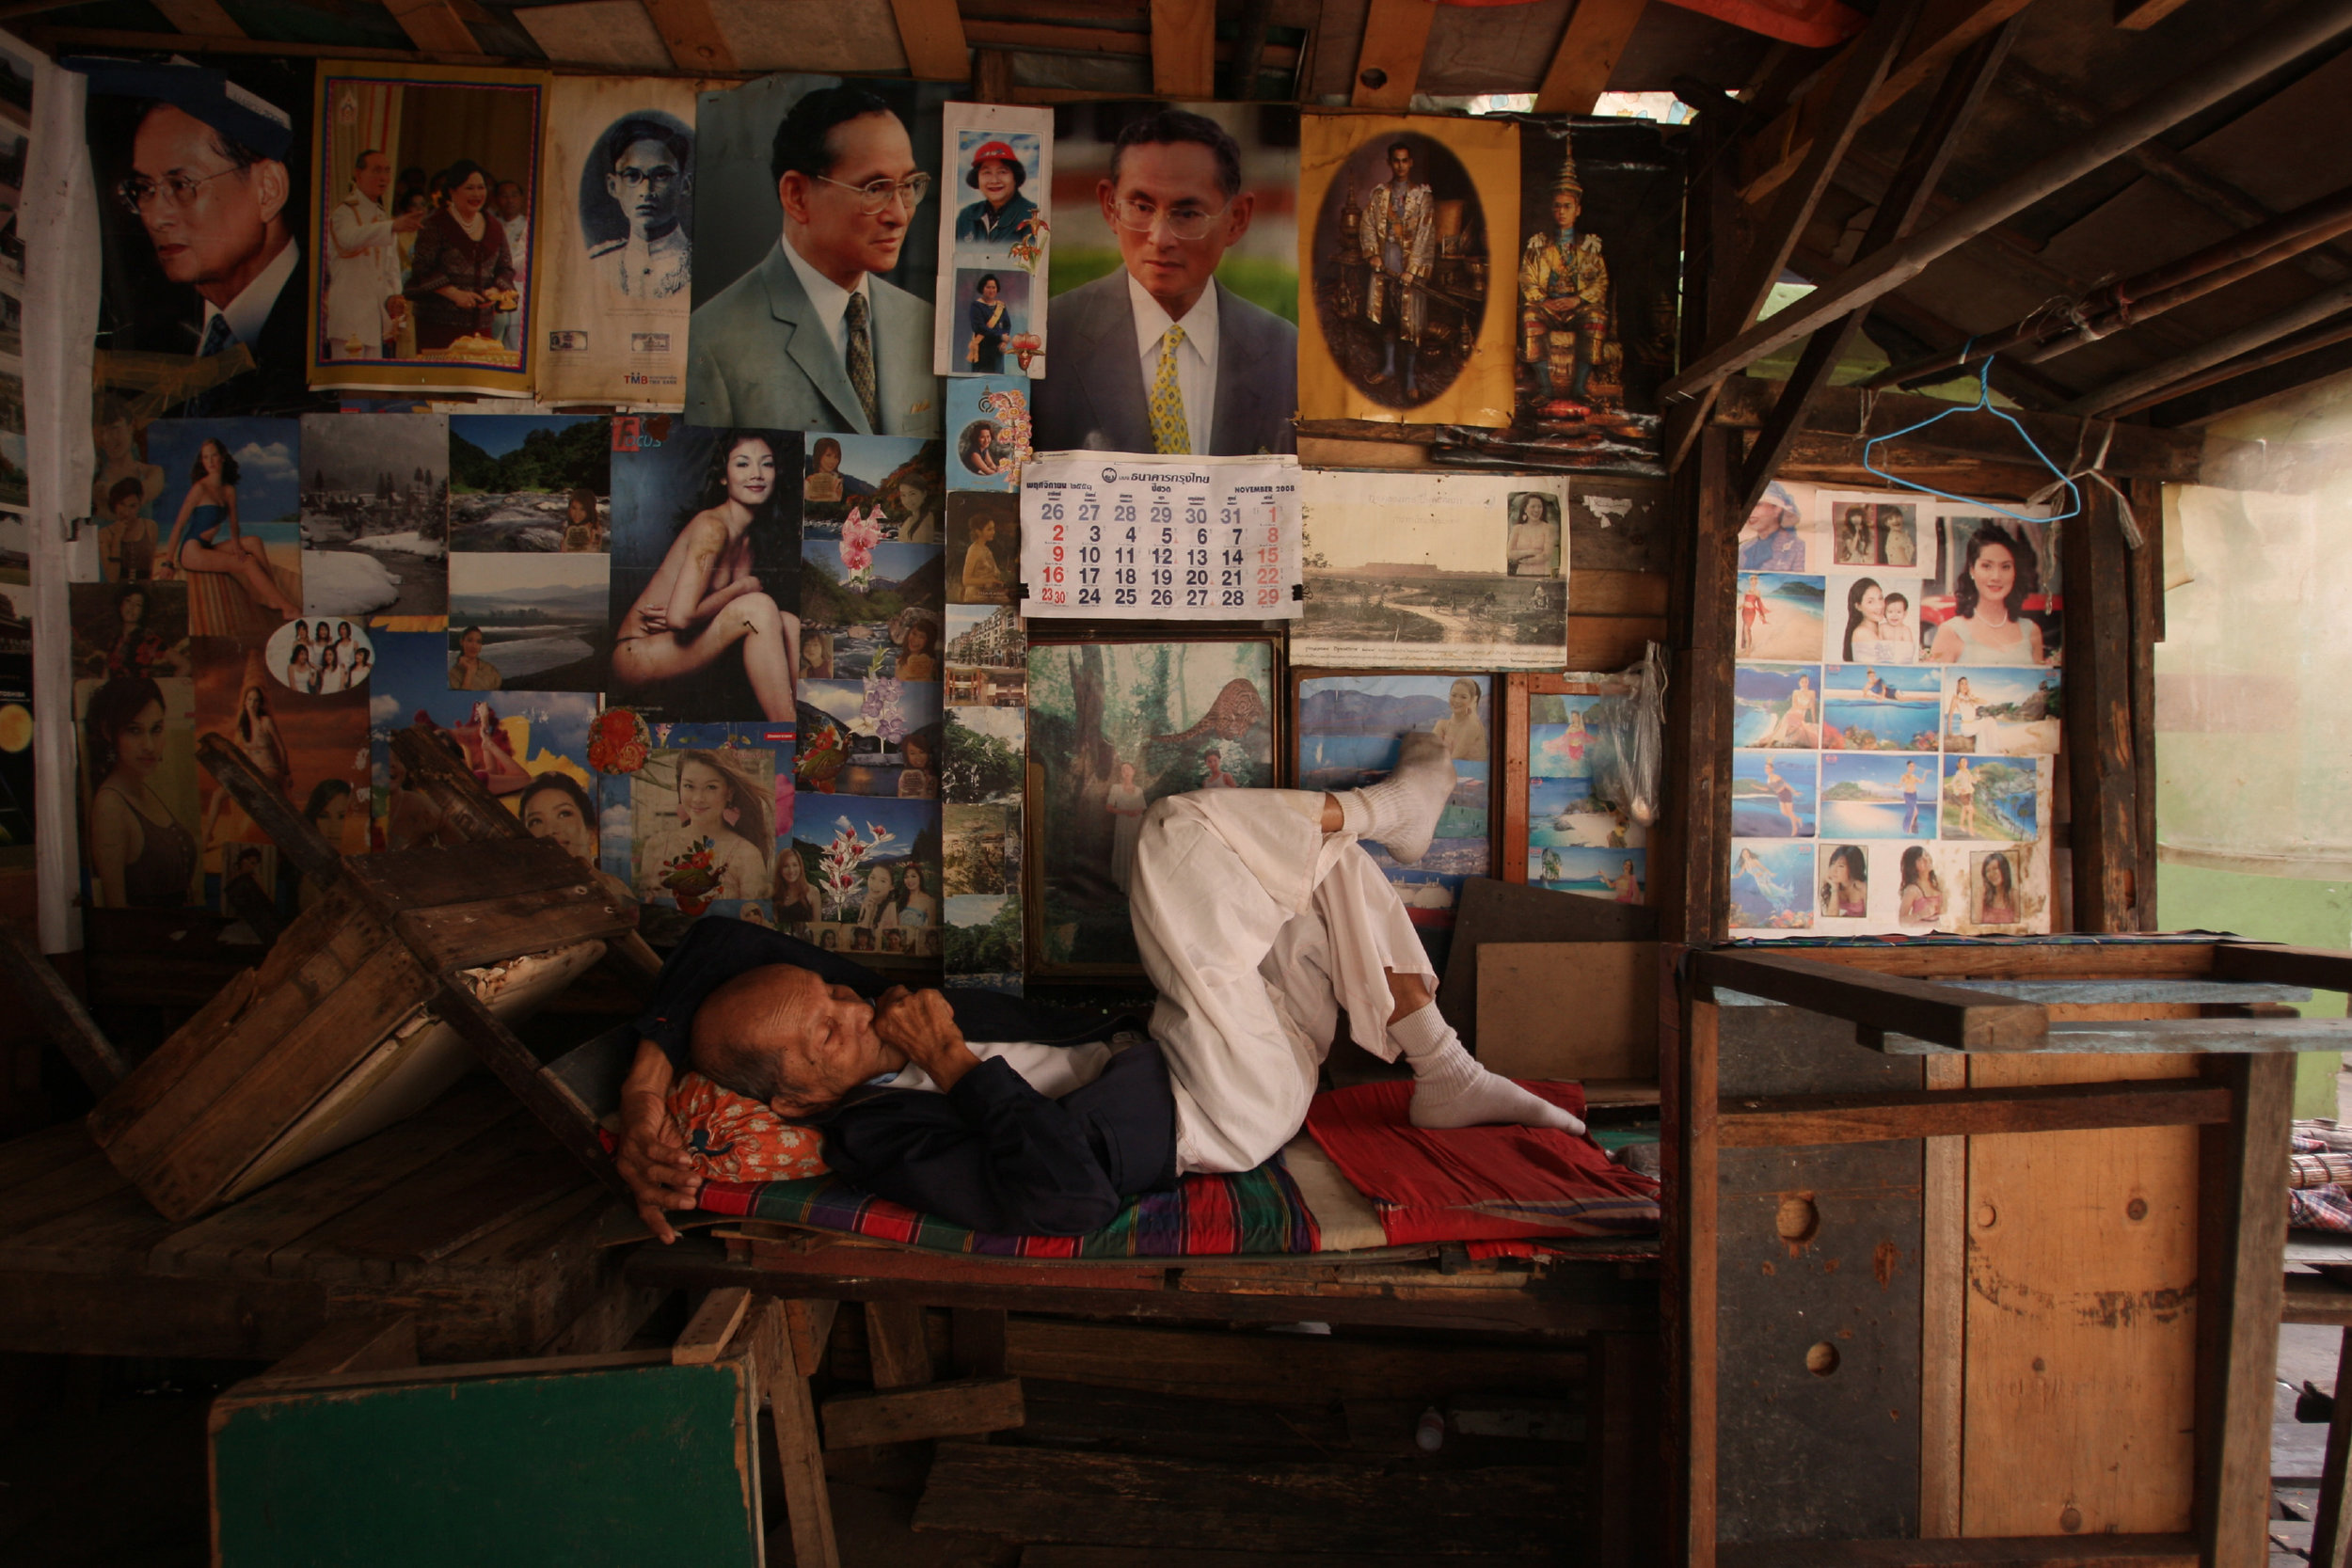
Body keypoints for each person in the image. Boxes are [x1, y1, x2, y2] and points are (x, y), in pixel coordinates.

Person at [612, 734, 1586, 1242]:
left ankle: (1439, 1061)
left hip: (1215, 1043)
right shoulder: (879, 1131)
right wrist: (951, 1061)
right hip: (1215, 1103)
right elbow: (1068, 1196)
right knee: (1172, 836)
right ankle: (1392, 812)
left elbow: (711, 936)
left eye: (833, 993)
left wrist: (644, 1085)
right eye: (825, 1033)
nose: (852, 1009)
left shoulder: (864, 1015)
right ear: (794, 1099)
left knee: (1293, 859)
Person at [1031, 109, 1296, 457]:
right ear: (1110, 207)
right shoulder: (1047, 341)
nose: (1159, 238)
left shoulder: (1284, 353)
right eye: (1141, 207)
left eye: (1187, 214)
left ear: (1237, 219)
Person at [686, 87, 939, 435]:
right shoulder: (711, 342)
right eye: (874, 188)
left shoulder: (929, 326)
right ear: (797, 196)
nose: (899, 214)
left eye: (909, 185)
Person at [104, 71, 307, 412]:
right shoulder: (145, 332)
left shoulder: (325, 329)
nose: (154, 218)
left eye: (182, 185)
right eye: (143, 189)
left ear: (268, 189)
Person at [611, 431, 803, 721]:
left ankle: (795, 723)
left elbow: (688, 617)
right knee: (760, 606)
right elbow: (679, 618)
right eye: (742, 464)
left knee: (789, 623)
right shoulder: (712, 527)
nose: (756, 474)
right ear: (723, 476)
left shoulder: (749, 539)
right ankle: (788, 733)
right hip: (636, 653)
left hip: (676, 644)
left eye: (767, 464)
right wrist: (742, 587)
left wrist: (693, 615)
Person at [155, 437, 300, 619]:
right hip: (191, 550)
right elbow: (178, 525)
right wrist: (168, 561)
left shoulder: (229, 490)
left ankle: (272, 596)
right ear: (202, 461)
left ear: (222, 457)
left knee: (254, 542)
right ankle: (288, 608)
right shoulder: (199, 489)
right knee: (247, 562)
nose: (210, 461)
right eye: (206, 457)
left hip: (206, 547)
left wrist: (237, 544)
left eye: (214, 456)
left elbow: (233, 524)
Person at [85, 674, 197, 910]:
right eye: (134, 730)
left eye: (156, 729)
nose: (149, 745)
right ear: (108, 732)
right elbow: (117, 912)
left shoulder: (143, 788)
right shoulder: (110, 806)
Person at [1518, 154, 1609, 411]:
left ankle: (1580, 387)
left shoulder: (1589, 246)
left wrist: (1578, 299)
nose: (1561, 211)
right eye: (1557, 206)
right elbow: (1527, 277)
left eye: (1567, 206)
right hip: (1548, 306)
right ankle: (1545, 387)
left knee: (1597, 318)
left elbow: (1601, 281)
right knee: (1529, 316)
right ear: (1551, 208)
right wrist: (1544, 300)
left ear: (1577, 209)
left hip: (1578, 306)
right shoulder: (1538, 245)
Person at [637, 749, 773, 906]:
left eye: (711, 787)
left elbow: (754, 919)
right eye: (689, 786)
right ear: (679, 786)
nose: (698, 799)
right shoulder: (657, 846)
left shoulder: (747, 855)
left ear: (729, 792)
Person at [405, 160, 516, 353]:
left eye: (481, 187)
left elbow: (505, 268)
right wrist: (454, 294)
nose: (477, 194)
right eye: (469, 188)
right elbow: (422, 269)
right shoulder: (435, 224)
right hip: (438, 324)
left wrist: (495, 290)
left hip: (481, 327)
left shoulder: (494, 226)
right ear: (452, 191)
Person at [325, 148, 420, 361]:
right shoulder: (344, 212)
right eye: (376, 171)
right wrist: (392, 226)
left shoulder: (381, 215)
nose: (384, 177)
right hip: (349, 315)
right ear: (359, 175)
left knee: (369, 384)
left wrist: (394, 296)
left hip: (374, 316)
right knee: (350, 386)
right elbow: (350, 239)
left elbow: (389, 269)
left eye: (387, 171)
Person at [1360, 140, 1438, 402]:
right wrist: (1373, 254)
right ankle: (1390, 367)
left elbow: (1425, 234)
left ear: (1411, 162)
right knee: (1389, 317)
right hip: (1386, 262)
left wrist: (1413, 270)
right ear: (1390, 163)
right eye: (1396, 160)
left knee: (1410, 323)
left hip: (1408, 266)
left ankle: (1410, 378)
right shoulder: (1379, 194)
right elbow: (1368, 224)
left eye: (1405, 160)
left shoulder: (1423, 197)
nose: (1401, 166)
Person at [593, 119, 693, 300]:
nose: (646, 192)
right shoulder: (598, 263)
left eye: (661, 175)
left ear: (684, 185)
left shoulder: (704, 265)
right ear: (613, 186)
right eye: (632, 176)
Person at [1929, 522, 2046, 666]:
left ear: (2014, 572)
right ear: (1972, 570)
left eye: (2005, 567)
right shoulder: (1951, 632)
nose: (1996, 576)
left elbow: (2042, 686)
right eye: (1987, 566)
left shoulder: (2031, 631)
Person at [518, 770, 635, 915]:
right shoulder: (520, 897)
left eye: (564, 814)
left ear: (591, 831)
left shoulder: (613, 888)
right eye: (536, 821)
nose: (550, 830)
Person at [955, 138, 1037, 246]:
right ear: (977, 178)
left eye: (1002, 172)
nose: (994, 180)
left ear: (1015, 177)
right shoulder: (966, 216)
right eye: (987, 172)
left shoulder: (1032, 217)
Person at [458, 702, 532, 797]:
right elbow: (523, 779)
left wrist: (485, 726)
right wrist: (490, 745)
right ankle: (486, 736)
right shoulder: (476, 779)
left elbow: (492, 771)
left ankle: (485, 732)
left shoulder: (475, 778)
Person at [491, 180, 530, 350]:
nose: (510, 200)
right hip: (492, 282)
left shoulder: (528, 225)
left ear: (522, 198)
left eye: (514, 195)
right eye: (504, 196)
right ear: (496, 199)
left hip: (519, 284)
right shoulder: (491, 225)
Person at [100, 476, 158, 583]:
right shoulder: (104, 534)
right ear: (115, 503)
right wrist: (117, 538)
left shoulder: (150, 527)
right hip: (119, 593)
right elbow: (112, 578)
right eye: (122, 504)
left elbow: (154, 568)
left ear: (139, 505)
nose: (126, 512)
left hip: (145, 591)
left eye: (132, 506)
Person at [1736, 483, 1805, 573]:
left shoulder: (1798, 548)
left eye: (1758, 504)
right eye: (1747, 506)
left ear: (1777, 508)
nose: (1750, 511)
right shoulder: (1743, 548)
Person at [1104, 759, 1148, 893]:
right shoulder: (1116, 788)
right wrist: (1125, 812)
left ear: (1133, 772)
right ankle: (1124, 884)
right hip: (1123, 822)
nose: (1126, 772)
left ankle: (1137, 885)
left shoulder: (1139, 789)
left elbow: (1143, 807)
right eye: (1123, 770)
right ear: (1121, 773)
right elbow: (1109, 807)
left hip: (1136, 822)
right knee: (1124, 848)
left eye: (1128, 769)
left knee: (1135, 849)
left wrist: (1136, 812)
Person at [1430, 677, 1486, 761]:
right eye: (1453, 695)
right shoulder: (1442, 725)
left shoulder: (1473, 725)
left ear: (1473, 700)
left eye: (1463, 697)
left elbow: (1455, 759)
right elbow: (1429, 753)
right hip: (1447, 770)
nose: (1457, 700)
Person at [1505, 494, 1559, 578]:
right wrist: (1531, 552)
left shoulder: (1548, 528)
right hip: (1521, 573)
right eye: (1533, 507)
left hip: (1543, 574)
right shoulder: (1517, 529)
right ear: (1525, 509)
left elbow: (1546, 554)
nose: (1536, 510)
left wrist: (1525, 561)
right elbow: (1510, 553)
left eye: (1539, 507)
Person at [966, 273, 1010, 374]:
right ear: (982, 288)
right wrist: (1000, 337)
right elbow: (979, 327)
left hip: (997, 350)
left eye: (993, 287)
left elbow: (1007, 325)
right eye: (988, 287)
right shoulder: (976, 306)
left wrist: (1004, 342)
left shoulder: (1001, 306)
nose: (991, 290)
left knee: (998, 381)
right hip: (982, 350)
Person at [961, 512, 1009, 604]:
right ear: (978, 532)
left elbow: (994, 572)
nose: (993, 532)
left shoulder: (986, 549)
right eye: (989, 529)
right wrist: (989, 581)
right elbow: (966, 580)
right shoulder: (974, 550)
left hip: (988, 594)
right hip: (976, 598)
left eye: (993, 528)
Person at [1842, 578, 1885, 663]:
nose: (1879, 606)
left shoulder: (1880, 629)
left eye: (1880, 598)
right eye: (1870, 602)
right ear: (1858, 606)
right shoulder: (1862, 633)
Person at [1899, 845, 1944, 925]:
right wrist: (1920, 914)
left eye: (1926, 855)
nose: (1926, 860)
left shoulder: (1936, 883)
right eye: (1920, 859)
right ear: (1912, 866)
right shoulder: (1912, 889)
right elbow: (1902, 921)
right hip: (1921, 933)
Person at [772, 848, 820, 925]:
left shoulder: (813, 892)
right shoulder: (776, 893)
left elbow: (817, 927)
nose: (791, 870)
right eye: (786, 866)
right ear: (780, 870)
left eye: (795, 865)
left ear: (800, 867)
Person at [1820, 844, 1867, 919]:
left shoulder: (1863, 888)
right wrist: (1834, 888)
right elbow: (1831, 918)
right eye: (1833, 864)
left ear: (1853, 868)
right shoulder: (1831, 885)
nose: (1834, 870)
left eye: (1841, 866)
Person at [450, 625, 502, 691]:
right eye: (470, 640)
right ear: (462, 642)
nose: (474, 646)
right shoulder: (453, 674)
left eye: (478, 642)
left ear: (481, 646)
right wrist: (469, 672)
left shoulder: (490, 669)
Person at [889, 863, 938, 933]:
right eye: (906, 877)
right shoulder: (901, 899)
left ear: (920, 878)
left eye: (913, 876)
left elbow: (931, 931)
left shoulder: (930, 901)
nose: (910, 880)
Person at [1979, 851, 2019, 924]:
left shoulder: (2014, 895)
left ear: (2004, 870)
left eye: (1995, 868)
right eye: (1988, 871)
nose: (1992, 874)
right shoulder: (1983, 896)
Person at [895, 615, 938, 681]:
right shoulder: (900, 659)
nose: (915, 640)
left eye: (922, 637)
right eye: (914, 634)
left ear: (928, 642)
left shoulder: (928, 664)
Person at [1764, 757, 1800, 836]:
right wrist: (1756, 787)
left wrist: (1794, 792)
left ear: (1772, 769)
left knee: (1790, 812)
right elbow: (1768, 788)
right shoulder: (1768, 779)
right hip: (1780, 795)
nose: (1766, 769)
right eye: (1765, 768)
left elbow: (1785, 784)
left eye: (1768, 768)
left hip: (1785, 793)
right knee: (1783, 812)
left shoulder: (1776, 776)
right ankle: (1797, 819)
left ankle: (1795, 828)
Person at [896, 732, 937, 800]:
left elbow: (930, 798)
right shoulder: (905, 774)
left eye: (922, 752)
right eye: (912, 753)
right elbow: (900, 797)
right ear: (906, 756)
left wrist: (926, 784)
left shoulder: (932, 774)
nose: (918, 757)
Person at [855, 863, 897, 930]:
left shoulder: (891, 908)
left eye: (883, 881)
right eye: (872, 878)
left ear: (891, 887)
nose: (875, 885)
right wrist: (868, 914)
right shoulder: (867, 901)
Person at [803, 437, 845, 503]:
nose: (832, 461)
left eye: (836, 457)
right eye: (828, 455)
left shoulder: (838, 483)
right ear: (819, 455)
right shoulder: (808, 483)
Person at [562, 488, 603, 553]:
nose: (577, 514)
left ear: (589, 511)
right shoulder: (568, 528)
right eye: (574, 508)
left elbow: (592, 554)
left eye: (583, 509)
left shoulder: (595, 531)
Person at [1948, 757, 1978, 837]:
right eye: (1962, 761)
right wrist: (1958, 790)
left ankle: (1961, 825)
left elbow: (1973, 781)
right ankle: (1971, 829)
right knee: (1971, 811)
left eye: (1965, 761)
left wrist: (1976, 774)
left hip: (1969, 793)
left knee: (1964, 810)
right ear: (1959, 763)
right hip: (1963, 794)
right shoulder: (1959, 772)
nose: (1964, 762)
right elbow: (1953, 782)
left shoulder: (1967, 771)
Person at [1739, 574, 1768, 655]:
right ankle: (1748, 646)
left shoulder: (1757, 592)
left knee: (1746, 629)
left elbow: (1759, 604)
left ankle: (1748, 650)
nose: (1753, 582)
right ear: (1750, 581)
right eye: (1752, 580)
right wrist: (1740, 606)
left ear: (1757, 582)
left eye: (1755, 580)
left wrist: (1761, 614)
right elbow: (1745, 602)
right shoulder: (1746, 591)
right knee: (1746, 630)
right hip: (1744, 611)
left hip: (1751, 612)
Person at [1899, 759, 1923, 834]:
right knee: (1912, 812)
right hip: (1908, 795)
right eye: (1910, 766)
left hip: (1914, 795)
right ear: (1907, 767)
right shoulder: (1904, 775)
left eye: (1913, 766)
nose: (1912, 767)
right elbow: (1899, 785)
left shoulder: (1914, 776)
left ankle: (1910, 828)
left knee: (1915, 812)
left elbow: (1922, 782)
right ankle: (1908, 829)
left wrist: (1925, 774)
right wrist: (1890, 784)